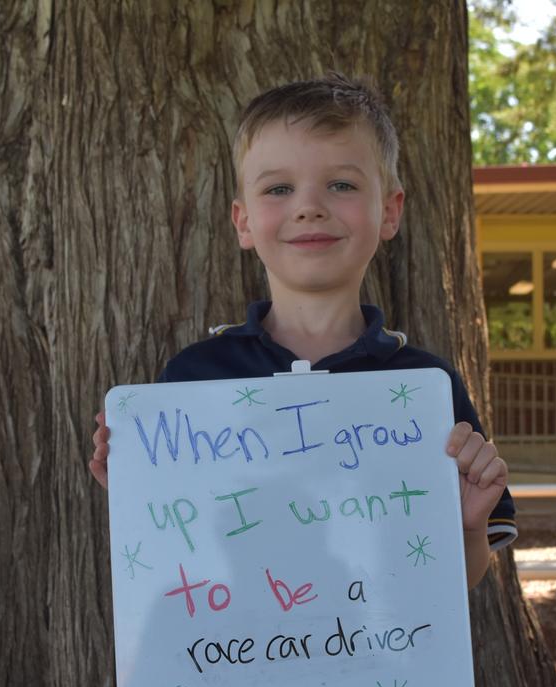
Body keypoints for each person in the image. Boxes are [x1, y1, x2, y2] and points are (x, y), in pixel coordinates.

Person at [89, 73, 516, 587]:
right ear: (243, 222)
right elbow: (175, 560)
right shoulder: (192, 380)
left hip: (384, 657)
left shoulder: (425, 386)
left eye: (341, 184)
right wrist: (144, 498)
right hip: (230, 656)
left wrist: (468, 525)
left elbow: (455, 584)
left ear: (390, 211)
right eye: (279, 188)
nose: (309, 206)